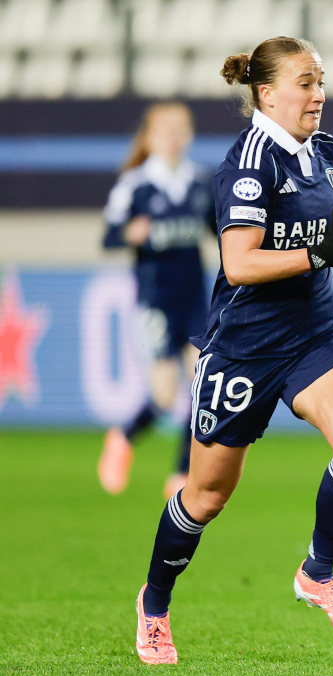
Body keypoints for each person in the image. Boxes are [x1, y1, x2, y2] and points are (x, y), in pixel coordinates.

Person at [134, 36, 333, 665]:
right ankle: (154, 604)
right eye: (305, 82)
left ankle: (317, 573)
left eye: (321, 80)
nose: (318, 93)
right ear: (266, 92)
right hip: (244, 348)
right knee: (207, 495)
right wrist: (322, 252)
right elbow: (238, 264)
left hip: (313, 333)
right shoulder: (248, 163)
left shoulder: (322, 151)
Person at [98, 102, 214, 501]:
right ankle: (123, 436)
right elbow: (109, 236)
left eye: (180, 129)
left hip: (195, 301)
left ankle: (181, 472)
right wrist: (130, 232)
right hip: (156, 301)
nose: (173, 137)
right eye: (165, 130)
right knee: (165, 397)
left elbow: (224, 232)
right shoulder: (136, 185)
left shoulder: (200, 182)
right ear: (149, 138)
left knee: (203, 389)